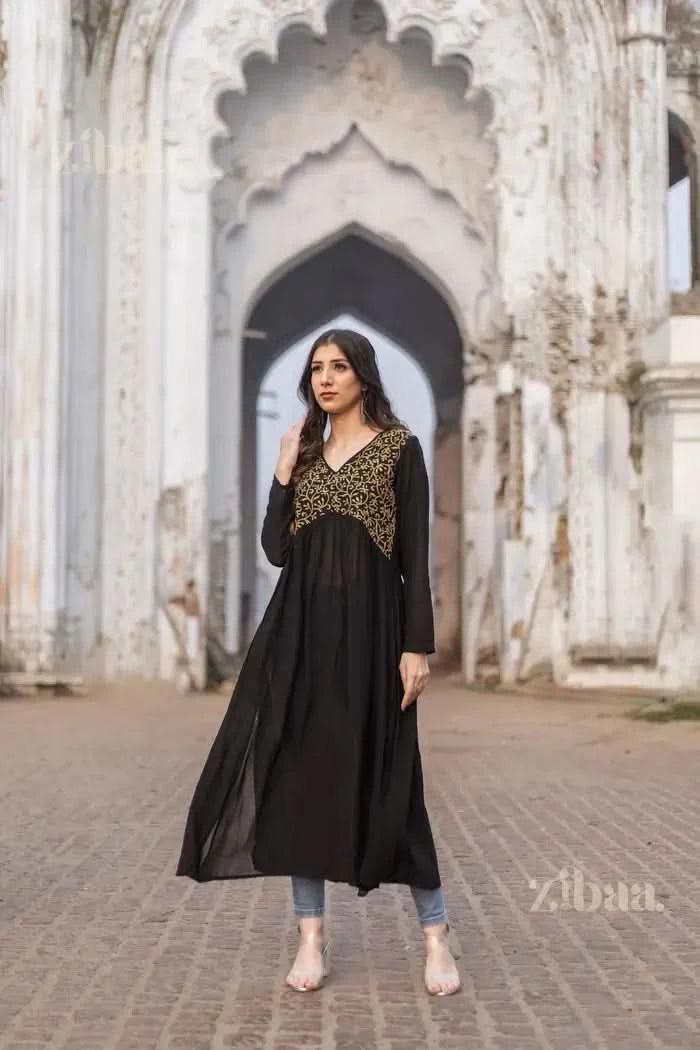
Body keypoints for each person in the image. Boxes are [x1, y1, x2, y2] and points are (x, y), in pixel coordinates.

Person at [176, 328, 460, 996]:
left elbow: (413, 559)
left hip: (371, 639)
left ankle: (437, 940)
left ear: (363, 374)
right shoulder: (304, 456)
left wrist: (415, 646)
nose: (325, 378)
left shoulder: (399, 450)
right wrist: (281, 467)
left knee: (393, 785)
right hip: (298, 642)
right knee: (301, 784)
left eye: (338, 366)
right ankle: (311, 941)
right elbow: (277, 550)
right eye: (316, 368)